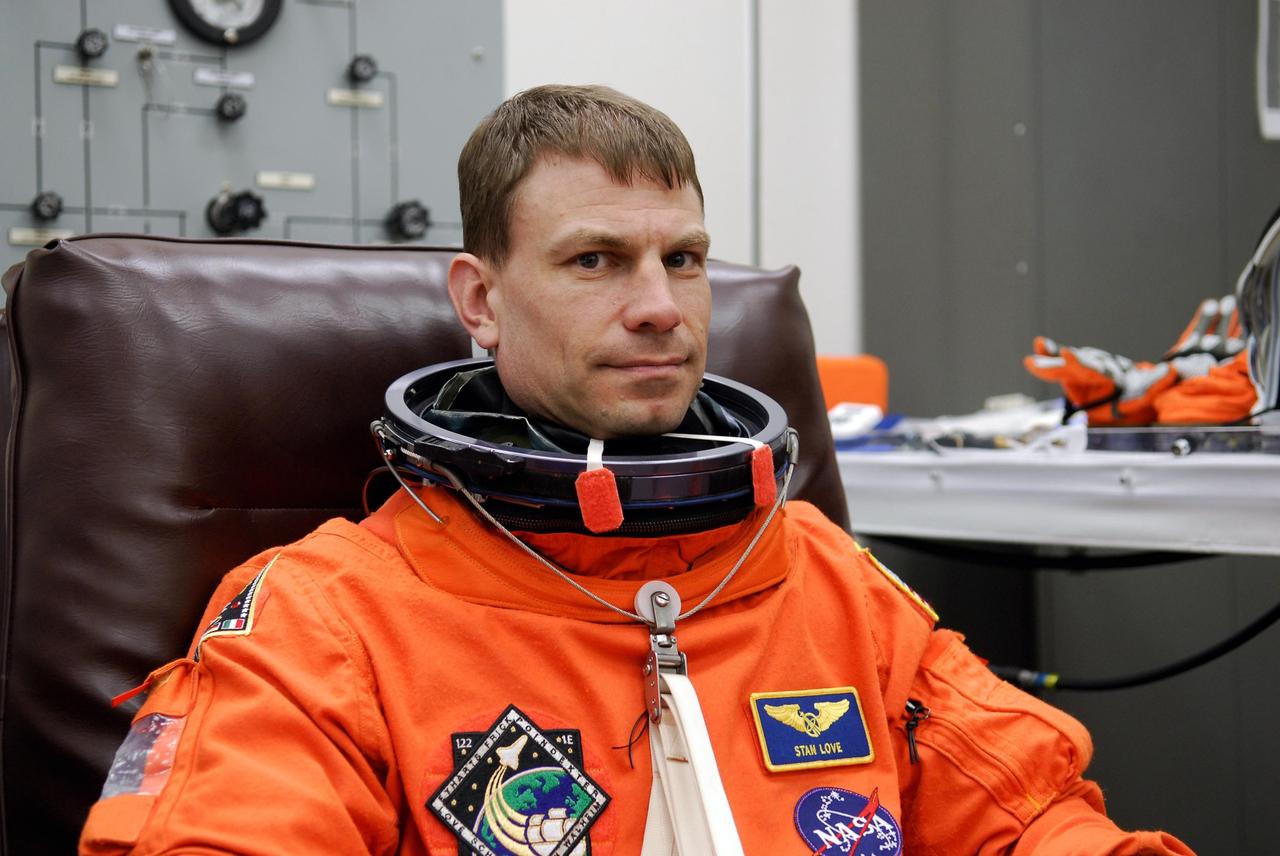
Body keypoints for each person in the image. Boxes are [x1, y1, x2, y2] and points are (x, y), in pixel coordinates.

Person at [79, 84, 1193, 855]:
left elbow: (1031, 815)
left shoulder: (813, 569)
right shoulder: (326, 622)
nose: (660, 306)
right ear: (480, 299)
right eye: (595, 260)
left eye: (685, 259)